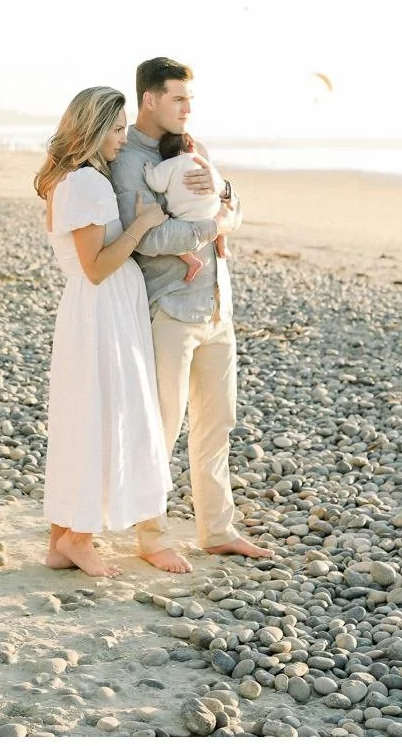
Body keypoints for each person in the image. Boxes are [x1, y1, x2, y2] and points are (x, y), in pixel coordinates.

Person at [110, 58, 269, 564]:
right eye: (178, 98)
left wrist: (222, 197)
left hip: (218, 305)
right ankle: (151, 537)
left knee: (217, 423)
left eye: (190, 100)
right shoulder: (129, 160)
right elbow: (150, 238)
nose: (187, 108)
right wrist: (213, 225)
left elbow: (235, 207)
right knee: (162, 426)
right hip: (170, 310)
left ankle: (217, 530)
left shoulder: (192, 147)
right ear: (150, 99)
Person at [36, 86, 177, 581]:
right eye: (117, 129)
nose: (123, 138)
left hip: (94, 310)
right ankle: (79, 537)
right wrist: (141, 226)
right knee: (105, 416)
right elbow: (96, 266)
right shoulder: (88, 184)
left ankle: (62, 540)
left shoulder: (69, 180)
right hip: (102, 310)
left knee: (84, 417)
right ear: (94, 130)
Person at [143, 129, 240, 285]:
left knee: (178, 244)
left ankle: (193, 262)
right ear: (191, 145)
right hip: (212, 211)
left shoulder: (168, 164)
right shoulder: (200, 160)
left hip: (187, 218)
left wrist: (149, 170)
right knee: (221, 225)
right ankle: (223, 246)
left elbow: (157, 184)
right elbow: (216, 181)